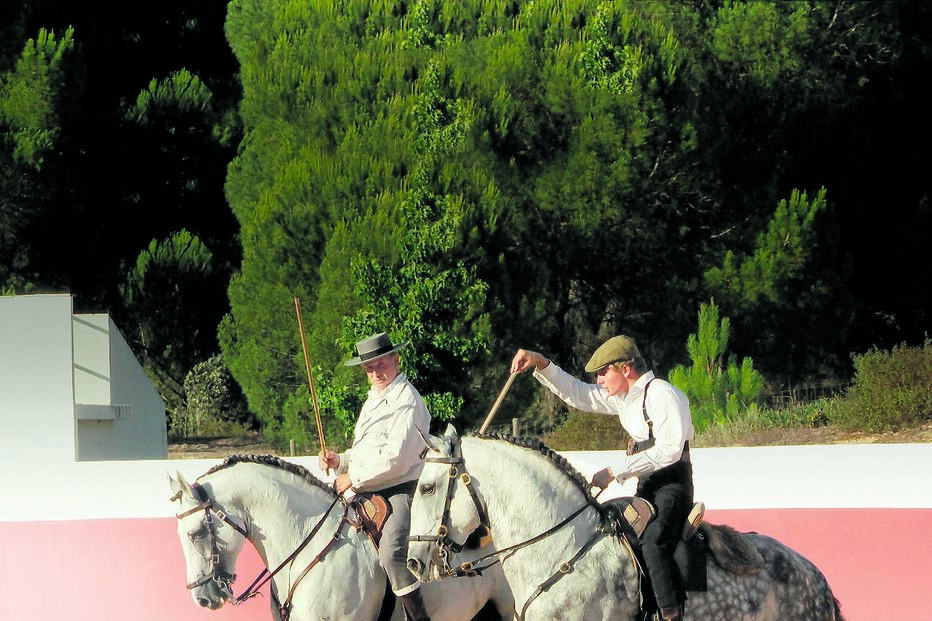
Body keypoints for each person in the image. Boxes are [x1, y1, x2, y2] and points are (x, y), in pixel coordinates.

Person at [511, 335, 694, 621]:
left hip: (673, 484)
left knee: (654, 539)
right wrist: (540, 362)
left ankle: (671, 615)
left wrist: (615, 472)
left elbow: (669, 451)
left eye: (603, 372)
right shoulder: (623, 398)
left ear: (625, 370)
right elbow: (578, 393)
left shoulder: (662, 394)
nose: (599, 380)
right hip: (647, 485)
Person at [320, 332, 432, 621]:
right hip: (368, 486)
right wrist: (342, 460)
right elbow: (368, 450)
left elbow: (395, 460)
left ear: (395, 359)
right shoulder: (374, 398)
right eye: (369, 368)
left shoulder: (407, 400)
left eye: (380, 364)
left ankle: (420, 618)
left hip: (402, 489)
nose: (375, 372)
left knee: (392, 554)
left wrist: (353, 478)